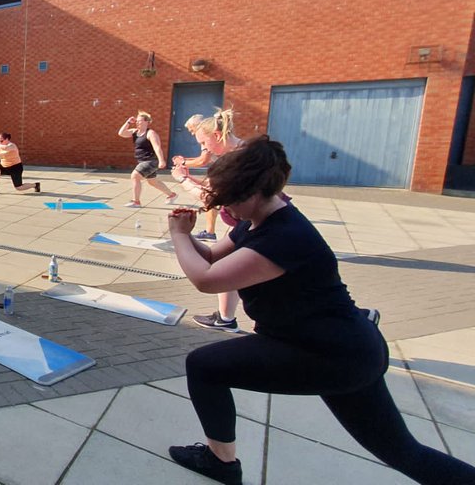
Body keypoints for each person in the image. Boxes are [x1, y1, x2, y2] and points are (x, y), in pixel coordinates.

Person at [165, 137, 475, 485]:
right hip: (344, 346)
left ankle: (221, 464)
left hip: (331, 355)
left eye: (229, 200)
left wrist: (178, 235)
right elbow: (209, 257)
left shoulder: (285, 237)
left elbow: (206, 280)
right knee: (402, 451)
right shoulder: (257, 222)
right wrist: (188, 234)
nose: (226, 210)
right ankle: (220, 461)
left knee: (204, 366)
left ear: (252, 193)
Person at [171, 109, 247, 331]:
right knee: (221, 262)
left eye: (204, 143)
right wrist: (189, 177)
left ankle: (228, 320)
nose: (205, 150)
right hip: (248, 224)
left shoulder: (237, 160)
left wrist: (183, 180)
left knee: (224, 268)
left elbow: (211, 198)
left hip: (258, 225)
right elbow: (214, 189)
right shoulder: (244, 151)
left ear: (216, 135)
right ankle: (226, 319)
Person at [117, 111, 178, 208]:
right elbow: (121, 133)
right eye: (136, 121)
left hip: (151, 161)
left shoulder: (151, 133)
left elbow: (157, 147)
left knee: (135, 176)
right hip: (142, 161)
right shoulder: (134, 132)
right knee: (152, 181)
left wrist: (161, 160)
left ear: (147, 122)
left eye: (140, 121)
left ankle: (136, 201)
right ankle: (172, 195)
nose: (137, 123)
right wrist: (128, 122)